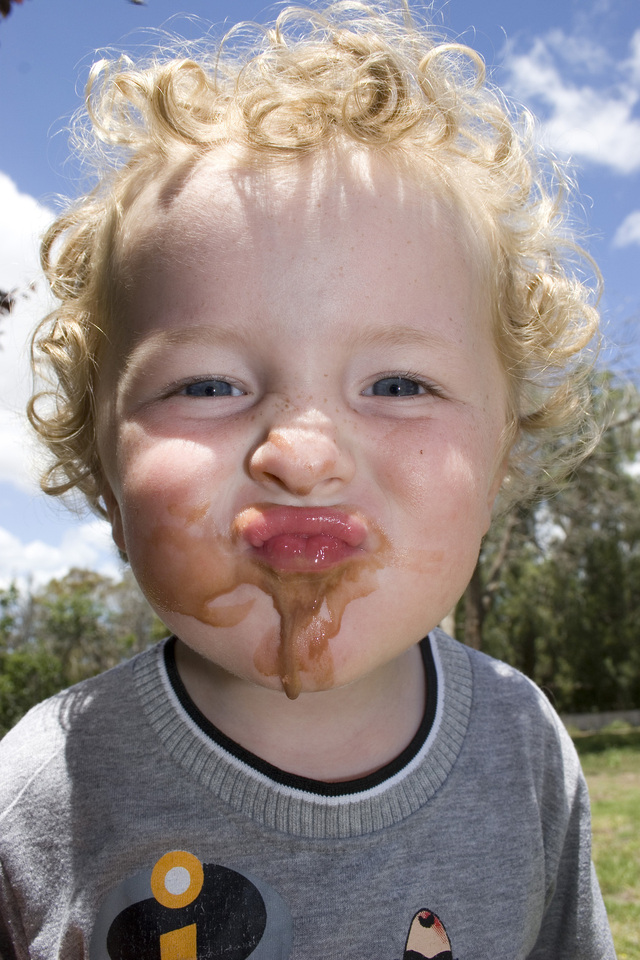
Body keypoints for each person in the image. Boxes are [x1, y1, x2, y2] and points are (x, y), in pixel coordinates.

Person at [0, 2, 616, 958]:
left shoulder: (524, 750)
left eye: (399, 384)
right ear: (102, 470)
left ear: (501, 455)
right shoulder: (40, 791)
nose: (301, 450)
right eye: (206, 384)